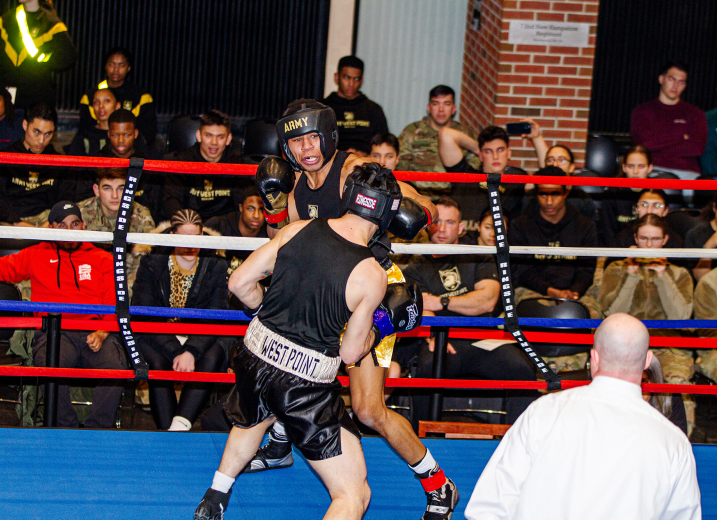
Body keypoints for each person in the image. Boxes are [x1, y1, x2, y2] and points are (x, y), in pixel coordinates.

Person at [254, 100, 457, 520]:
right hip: (324, 295)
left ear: (328, 137)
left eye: (313, 137)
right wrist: (272, 204)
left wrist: (411, 212)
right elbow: (284, 239)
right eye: (296, 139)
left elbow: (424, 204)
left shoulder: (353, 170)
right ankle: (278, 440)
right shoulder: (294, 187)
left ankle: (439, 485)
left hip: (373, 293)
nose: (306, 147)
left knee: (368, 410)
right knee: (279, 353)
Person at [194, 162, 424, 520]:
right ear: (387, 213)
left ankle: (215, 496)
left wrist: (265, 313)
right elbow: (350, 352)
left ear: (348, 196)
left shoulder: (297, 228)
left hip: (254, 355)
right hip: (304, 383)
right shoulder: (371, 274)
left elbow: (239, 283)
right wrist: (383, 325)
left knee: (253, 416)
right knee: (353, 495)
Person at [464, 313, 701, 520]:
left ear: (593, 359)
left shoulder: (543, 412)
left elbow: (488, 508)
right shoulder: (673, 442)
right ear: (648, 361)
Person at [0, 201, 127, 428]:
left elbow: (114, 301)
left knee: (116, 365)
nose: (69, 231)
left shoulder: (102, 258)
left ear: (83, 225)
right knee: (50, 364)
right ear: (51, 228)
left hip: (96, 332)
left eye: (75, 224)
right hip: (55, 332)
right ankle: (67, 430)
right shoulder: (38, 254)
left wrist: (103, 331)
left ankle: (98, 430)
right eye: (62, 226)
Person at [401, 198, 537, 425]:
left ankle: (519, 443)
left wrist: (442, 302)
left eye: (450, 222)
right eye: (436, 222)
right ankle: (421, 444)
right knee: (425, 368)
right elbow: (423, 307)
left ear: (461, 228)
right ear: (427, 226)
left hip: (485, 339)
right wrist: (433, 332)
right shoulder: (417, 266)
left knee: (523, 370)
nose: (442, 229)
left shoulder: (478, 254)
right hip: (446, 341)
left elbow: (487, 301)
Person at [132, 209, 231, 432]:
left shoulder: (216, 265)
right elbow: (144, 314)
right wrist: (177, 351)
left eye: (196, 238)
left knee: (213, 355)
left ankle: (178, 426)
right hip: (157, 335)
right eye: (183, 238)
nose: (190, 245)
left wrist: (191, 351)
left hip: (200, 336)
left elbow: (216, 316)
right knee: (157, 362)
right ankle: (171, 430)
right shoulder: (152, 262)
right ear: (171, 235)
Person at [599, 213, 695, 435]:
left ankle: (680, 443)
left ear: (665, 240)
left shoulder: (679, 273)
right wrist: (630, 276)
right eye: (643, 239)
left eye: (654, 239)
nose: (649, 245)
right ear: (635, 238)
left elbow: (681, 317)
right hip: (625, 346)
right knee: (613, 385)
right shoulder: (616, 269)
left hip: (668, 346)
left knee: (678, 383)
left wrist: (663, 278)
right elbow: (611, 313)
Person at [509, 165, 598, 303]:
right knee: (536, 314)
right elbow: (522, 272)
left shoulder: (585, 225)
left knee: (587, 315)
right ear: (536, 193)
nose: (549, 202)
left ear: (565, 193)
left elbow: (586, 271)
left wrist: (573, 292)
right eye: (543, 194)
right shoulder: (520, 225)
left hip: (575, 293)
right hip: (533, 291)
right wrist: (550, 291)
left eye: (555, 194)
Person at [0, 102, 63, 226]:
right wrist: (17, 223)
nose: (41, 140)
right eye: (37, 132)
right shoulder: (4, 158)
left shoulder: (59, 162)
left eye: (48, 134)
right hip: (9, 219)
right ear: (25, 125)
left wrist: (51, 221)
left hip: (47, 220)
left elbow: (65, 198)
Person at [164, 109, 250, 221]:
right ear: (199, 136)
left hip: (224, 228)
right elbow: (171, 202)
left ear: (228, 139)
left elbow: (242, 205)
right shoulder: (182, 162)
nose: (214, 142)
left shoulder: (238, 166)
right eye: (208, 135)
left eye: (220, 137)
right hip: (189, 226)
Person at [77, 167, 155, 291]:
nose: (115, 196)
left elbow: (146, 264)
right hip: (88, 281)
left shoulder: (141, 215)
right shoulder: (79, 213)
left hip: (128, 287)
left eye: (121, 188)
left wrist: (122, 290)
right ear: (96, 190)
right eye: (107, 189)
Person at [0, 0, 77, 109]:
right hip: (10, 92)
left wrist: (43, 61)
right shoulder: (5, 21)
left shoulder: (51, 23)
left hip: (38, 92)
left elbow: (69, 57)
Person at [630, 61, 707, 176]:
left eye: (681, 82)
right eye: (672, 79)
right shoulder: (642, 111)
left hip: (687, 172)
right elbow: (644, 144)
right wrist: (681, 137)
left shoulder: (695, 114)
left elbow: (697, 148)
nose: (675, 86)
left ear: (685, 86)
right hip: (653, 169)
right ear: (661, 79)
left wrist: (659, 139)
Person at [445, 125, 525, 231]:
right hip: (465, 243)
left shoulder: (517, 180)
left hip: (499, 244)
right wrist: (478, 148)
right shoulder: (467, 176)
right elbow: (446, 135)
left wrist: (537, 138)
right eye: (488, 151)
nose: (495, 156)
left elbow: (549, 177)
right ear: (480, 156)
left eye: (500, 150)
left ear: (509, 153)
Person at [78, 47, 156, 145]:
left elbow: (147, 133)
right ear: (105, 66)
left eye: (121, 65)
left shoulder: (141, 96)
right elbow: (84, 130)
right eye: (111, 64)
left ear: (128, 68)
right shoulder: (91, 95)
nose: (116, 70)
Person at [98, 109, 165, 223]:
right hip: (103, 224)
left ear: (135, 134)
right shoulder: (97, 162)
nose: (121, 140)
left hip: (144, 225)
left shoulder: (151, 162)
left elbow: (158, 204)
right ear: (108, 134)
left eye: (126, 134)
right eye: (115, 135)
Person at [398, 85, 478, 178]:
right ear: (429, 108)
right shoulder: (411, 131)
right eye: (435, 104)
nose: (441, 110)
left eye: (447, 104)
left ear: (454, 109)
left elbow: (475, 165)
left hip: (454, 190)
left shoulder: (465, 133)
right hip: (418, 189)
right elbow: (400, 166)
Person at [322, 55, 388, 155]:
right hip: (331, 164)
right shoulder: (322, 108)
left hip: (366, 164)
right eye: (346, 77)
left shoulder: (374, 110)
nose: (351, 83)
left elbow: (383, 146)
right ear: (336, 77)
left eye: (356, 79)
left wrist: (364, 156)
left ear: (361, 81)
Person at [599, 145, 658, 245]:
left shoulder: (657, 193)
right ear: (624, 168)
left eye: (641, 166)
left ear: (650, 168)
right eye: (631, 166)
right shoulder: (611, 194)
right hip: (618, 251)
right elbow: (607, 234)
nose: (635, 172)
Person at [204, 185, 266, 277]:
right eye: (250, 208)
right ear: (240, 207)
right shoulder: (218, 226)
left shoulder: (270, 233)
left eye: (261, 210)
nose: (256, 215)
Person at [611, 189, 683, 249]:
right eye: (644, 205)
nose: (649, 211)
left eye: (657, 206)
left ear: (665, 211)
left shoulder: (675, 240)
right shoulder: (623, 238)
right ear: (636, 209)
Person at [66, 88, 120, 157]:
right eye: (96, 102)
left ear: (117, 105)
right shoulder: (84, 135)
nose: (101, 106)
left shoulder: (124, 134)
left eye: (106, 101)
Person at [644, 355, 688, 435]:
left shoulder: (670, 397)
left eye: (644, 382)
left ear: (655, 380)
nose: (639, 388)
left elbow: (679, 439)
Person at [685, 193, 717, 282]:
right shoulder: (695, 235)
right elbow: (699, 280)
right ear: (714, 207)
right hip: (708, 292)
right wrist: (709, 246)